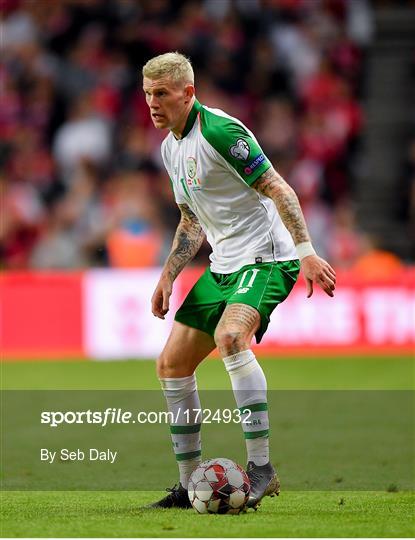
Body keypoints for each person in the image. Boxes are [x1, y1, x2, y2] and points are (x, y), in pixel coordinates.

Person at [142, 52, 336, 510]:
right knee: (171, 364)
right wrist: (168, 276)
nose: (152, 102)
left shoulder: (220, 132)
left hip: (267, 258)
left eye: (162, 94)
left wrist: (306, 252)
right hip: (224, 265)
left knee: (231, 337)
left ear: (188, 93)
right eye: (148, 93)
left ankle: (262, 470)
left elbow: (278, 188)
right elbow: (191, 220)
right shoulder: (171, 146)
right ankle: (191, 486)